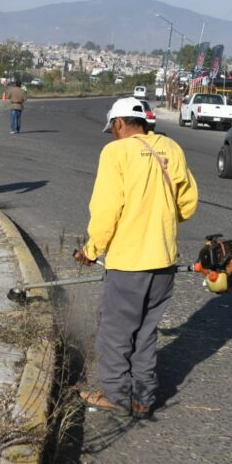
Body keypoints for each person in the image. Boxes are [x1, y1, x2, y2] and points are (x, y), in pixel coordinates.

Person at [74, 97, 198, 419]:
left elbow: (106, 210)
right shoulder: (171, 148)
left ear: (118, 124)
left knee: (115, 333)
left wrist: (91, 250)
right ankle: (143, 398)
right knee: (146, 332)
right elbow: (187, 204)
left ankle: (116, 397)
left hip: (129, 263)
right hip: (164, 261)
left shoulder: (115, 152)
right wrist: (160, 219)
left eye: (111, 129)